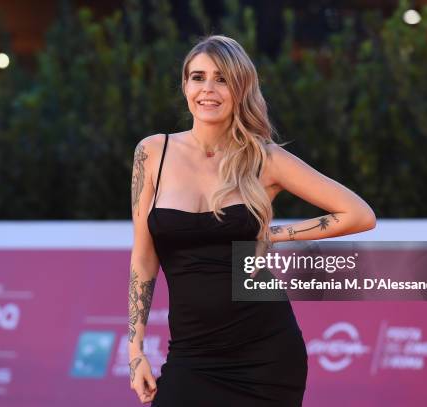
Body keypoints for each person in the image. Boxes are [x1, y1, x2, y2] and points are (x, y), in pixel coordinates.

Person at [127, 35, 376, 406]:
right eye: (198, 77)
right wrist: (135, 351)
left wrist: (274, 235)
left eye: (222, 79)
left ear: (240, 87)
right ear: (184, 85)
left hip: (265, 352)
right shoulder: (152, 153)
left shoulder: (264, 159)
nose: (208, 89)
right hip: (191, 354)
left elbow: (358, 214)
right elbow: (144, 258)